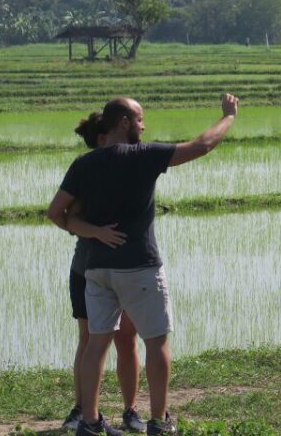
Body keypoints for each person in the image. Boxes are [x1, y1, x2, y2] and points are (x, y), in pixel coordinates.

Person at [48, 93, 239, 436]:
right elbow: (202, 146)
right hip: (139, 267)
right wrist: (228, 117)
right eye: (139, 119)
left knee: (96, 343)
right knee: (155, 341)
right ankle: (159, 420)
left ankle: (89, 422)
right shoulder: (144, 156)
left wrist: (95, 233)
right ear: (124, 123)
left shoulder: (84, 164)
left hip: (97, 270)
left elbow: (55, 213)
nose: (143, 125)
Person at [62, 112, 145, 433]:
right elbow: (67, 217)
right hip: (89, 268)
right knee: (90, 340)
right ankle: (83, 409)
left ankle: (130, 411)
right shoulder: (88, 171)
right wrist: (97, 232)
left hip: (127, 266)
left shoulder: (129, 169)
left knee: (127, 337)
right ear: (103, 138)